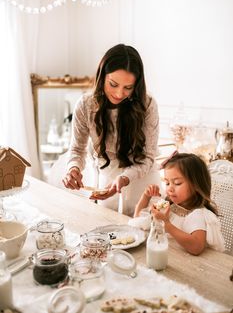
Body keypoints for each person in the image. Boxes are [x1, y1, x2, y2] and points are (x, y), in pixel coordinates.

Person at [62, 43, 161, 216]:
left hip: (142, 182)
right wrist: (73, 169)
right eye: (113, 84)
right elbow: (77, 150)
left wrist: (124, 178)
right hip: (107, 180)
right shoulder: (85, 105)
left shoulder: (148, 105)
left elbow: (148, 156)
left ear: (136, 85)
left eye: (128, 88)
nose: (119, 93)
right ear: (102, 76)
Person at [134, 152, 225, 255]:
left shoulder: (196, 214)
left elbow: (197, 247)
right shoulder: (168, 205)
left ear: (196, 185)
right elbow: (138, 221)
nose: (170, 188)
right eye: (167, 183)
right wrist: (146, 196)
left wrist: (166, 224)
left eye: (177, 183)